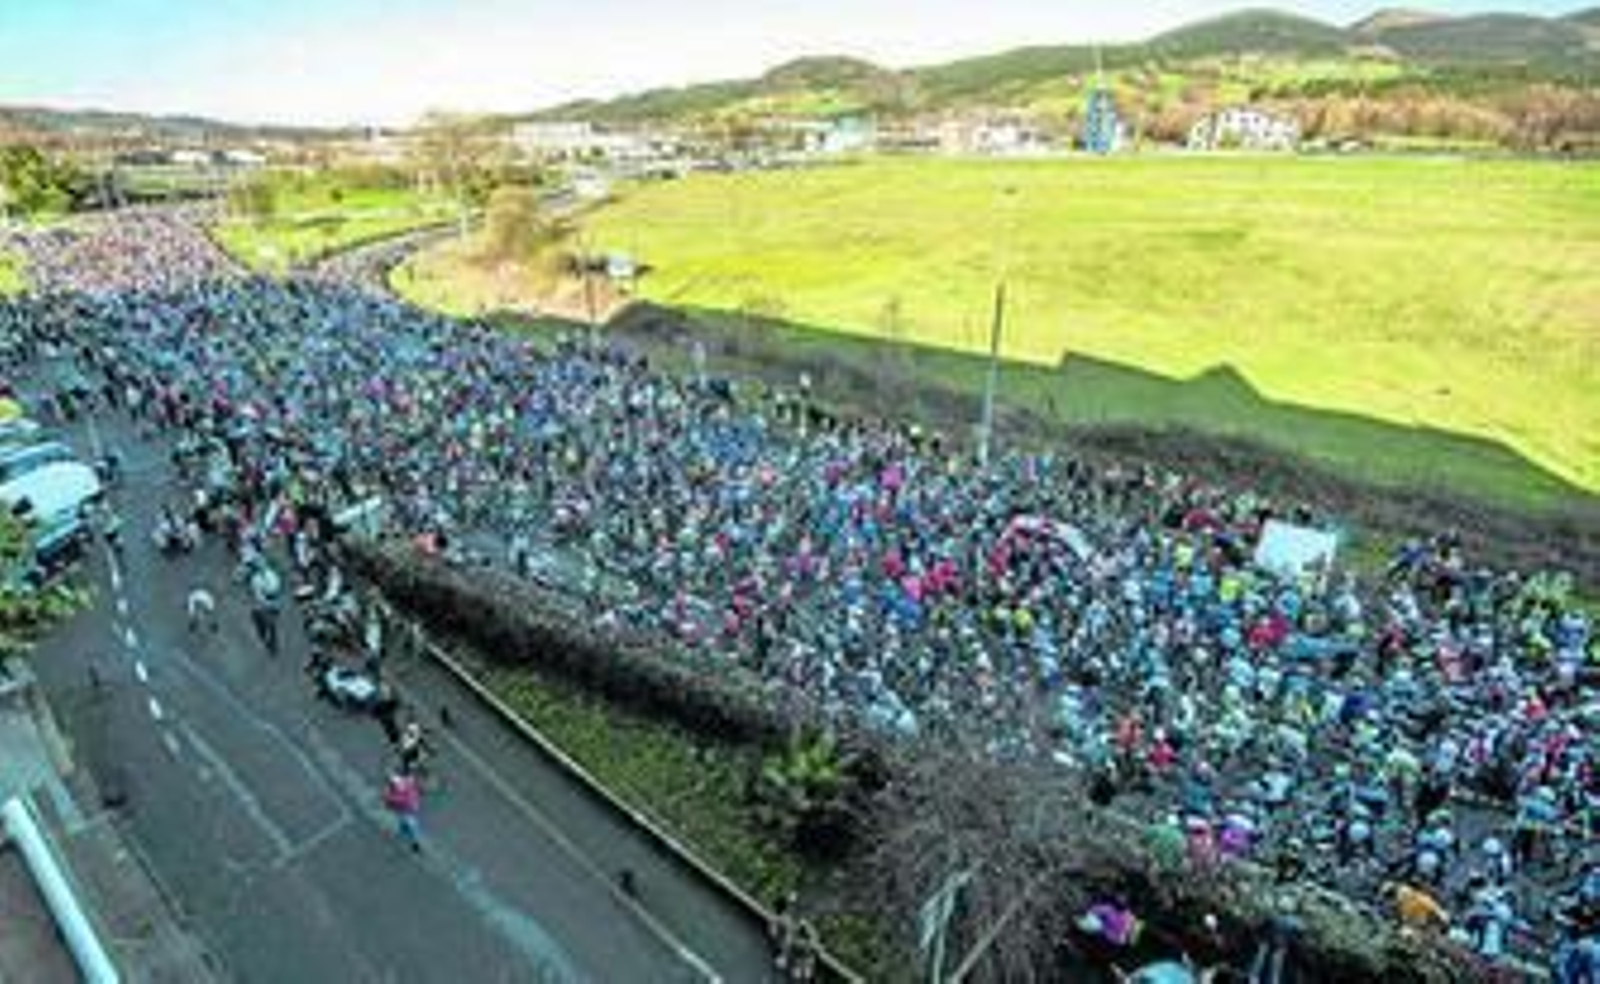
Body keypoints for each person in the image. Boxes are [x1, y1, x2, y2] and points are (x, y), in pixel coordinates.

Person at [382, 771, 423, 852]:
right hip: (406, 808)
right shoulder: (403, 785)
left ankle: (413, 841)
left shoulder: (403, 787)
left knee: (410, 825)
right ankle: (406, 836)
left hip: (407, 808)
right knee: (407, 824)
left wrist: (389, 799)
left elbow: (397, 800)